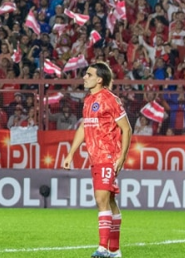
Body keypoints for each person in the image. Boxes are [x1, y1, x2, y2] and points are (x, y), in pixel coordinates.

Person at [62, 63, 132, 258]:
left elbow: (126, 129)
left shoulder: (110, 99)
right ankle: (115, 250)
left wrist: (122, 157)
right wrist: (70, 153)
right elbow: (84, 127)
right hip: (95, 157)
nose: (84, 77)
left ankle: (102, 249)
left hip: (108, 156)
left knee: (101, 200)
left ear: (99, 79)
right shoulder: (88, 100)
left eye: (88, 74)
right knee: (109, 200)